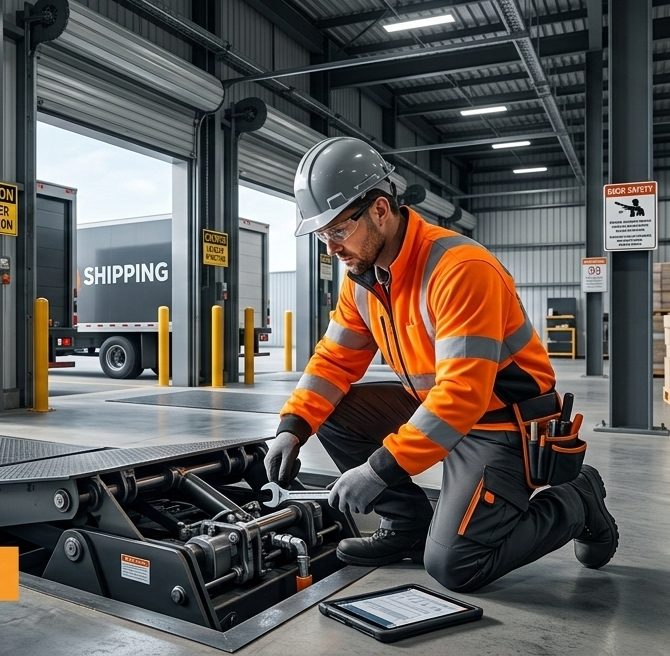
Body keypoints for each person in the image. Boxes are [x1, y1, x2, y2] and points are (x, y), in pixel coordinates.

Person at [264, 137, 618, 593]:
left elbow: (462, 395)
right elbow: (333, 361)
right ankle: (407, 525)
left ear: (379, 210)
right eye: (321, 236)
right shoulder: (362, 281)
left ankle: (578, 500)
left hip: (503, 421)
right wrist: (292, 428)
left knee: (457, 565)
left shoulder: (460, 268)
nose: (331, 248)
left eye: (337, 231)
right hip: (439, 407)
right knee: (329, 412)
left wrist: (378, 470)